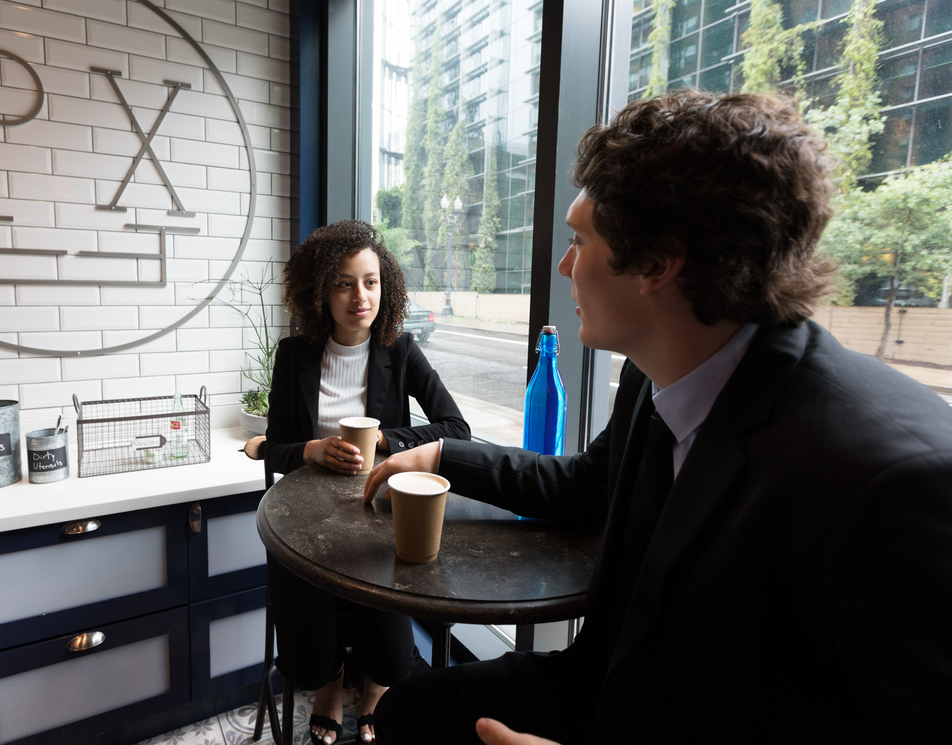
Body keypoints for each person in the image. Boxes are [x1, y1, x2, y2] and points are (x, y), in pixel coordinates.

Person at [363, 91, 952, 744]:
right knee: (407, 715)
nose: (565, 266)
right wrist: (444, 456)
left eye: (579, 240)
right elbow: (589, 487)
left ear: (657, 263)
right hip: (609, 690)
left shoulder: (893, 481)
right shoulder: (657, 369)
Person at [264, 219, 471, 744]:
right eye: (344, 282)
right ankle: (331, 685)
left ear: (387, 286)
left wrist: (385, 442)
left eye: (371, 281)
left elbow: (455, 427)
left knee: (390, 649)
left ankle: (374, 689)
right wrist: (311, 449)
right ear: (321, 292)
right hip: (307, 520)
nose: (361, 296)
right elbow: (277, 445)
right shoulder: (294, 356)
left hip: (377, 515)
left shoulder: (399, 351)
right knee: (308, 647)